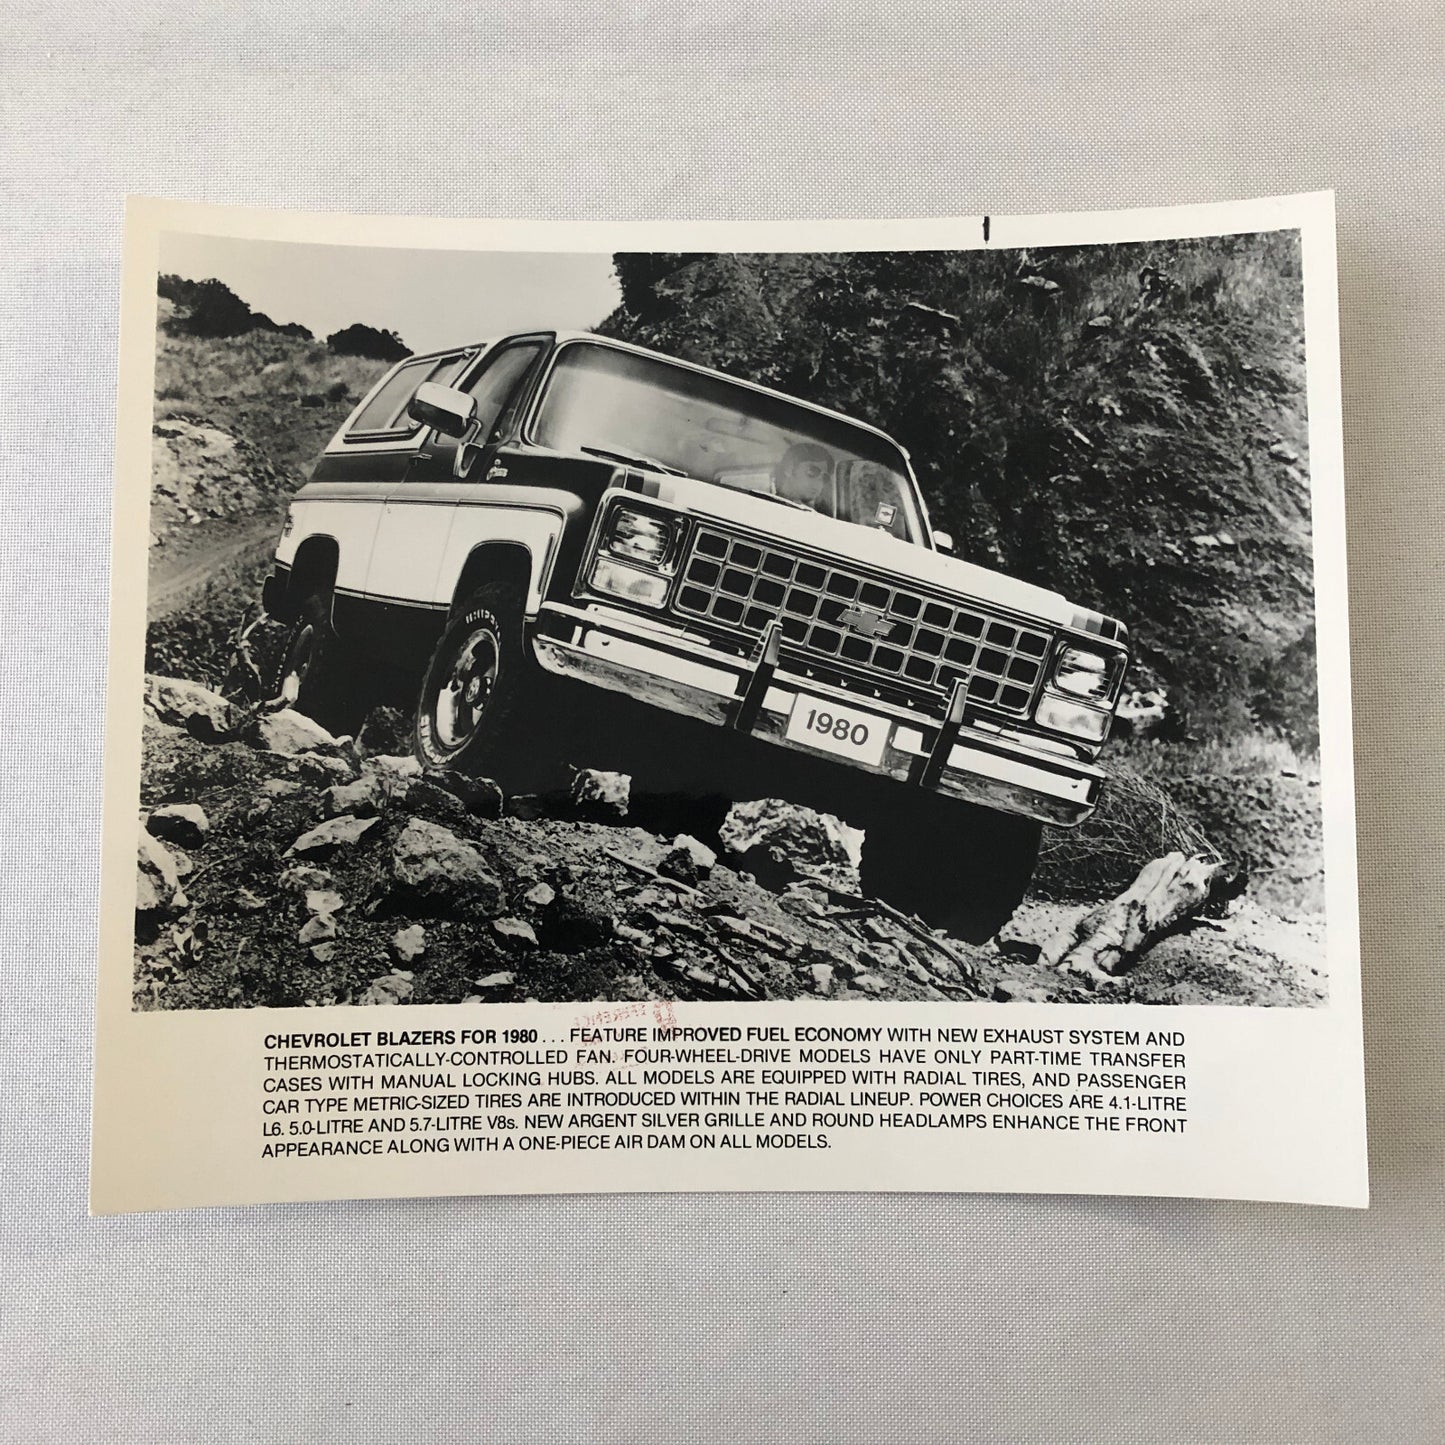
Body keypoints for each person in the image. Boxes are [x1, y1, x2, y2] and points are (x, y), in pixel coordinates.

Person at [772, 441, 835, 515]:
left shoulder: (816, 517)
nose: (819, 481)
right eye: (813, 471)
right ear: (789, 469)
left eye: (825, 477)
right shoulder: (767, 507)